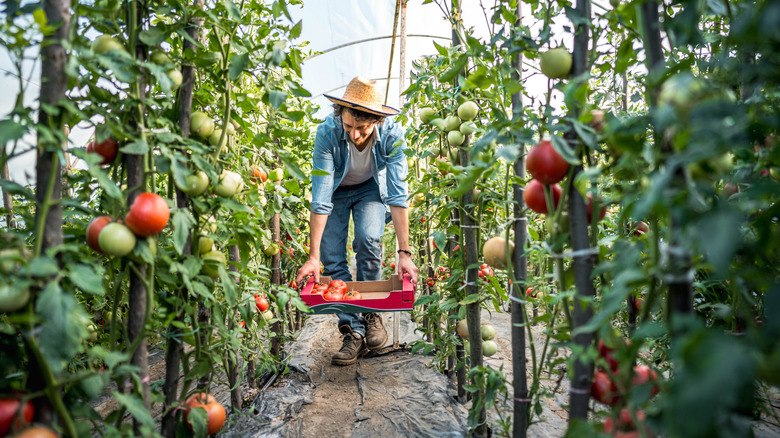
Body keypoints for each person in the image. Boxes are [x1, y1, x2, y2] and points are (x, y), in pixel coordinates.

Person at [295, 76, 419, 366]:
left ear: (376, 121)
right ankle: (353, 329)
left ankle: (370, 312)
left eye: (362, 128)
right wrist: (313, 257)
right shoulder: (327, 132)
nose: (354, 135)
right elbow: (321, 196)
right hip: (336, 191)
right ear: (341, 116)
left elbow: (399, 195)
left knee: (368, 238)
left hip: (371, 189)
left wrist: (405, 253)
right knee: (332, 255)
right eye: (349, 126)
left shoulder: (391, 135)